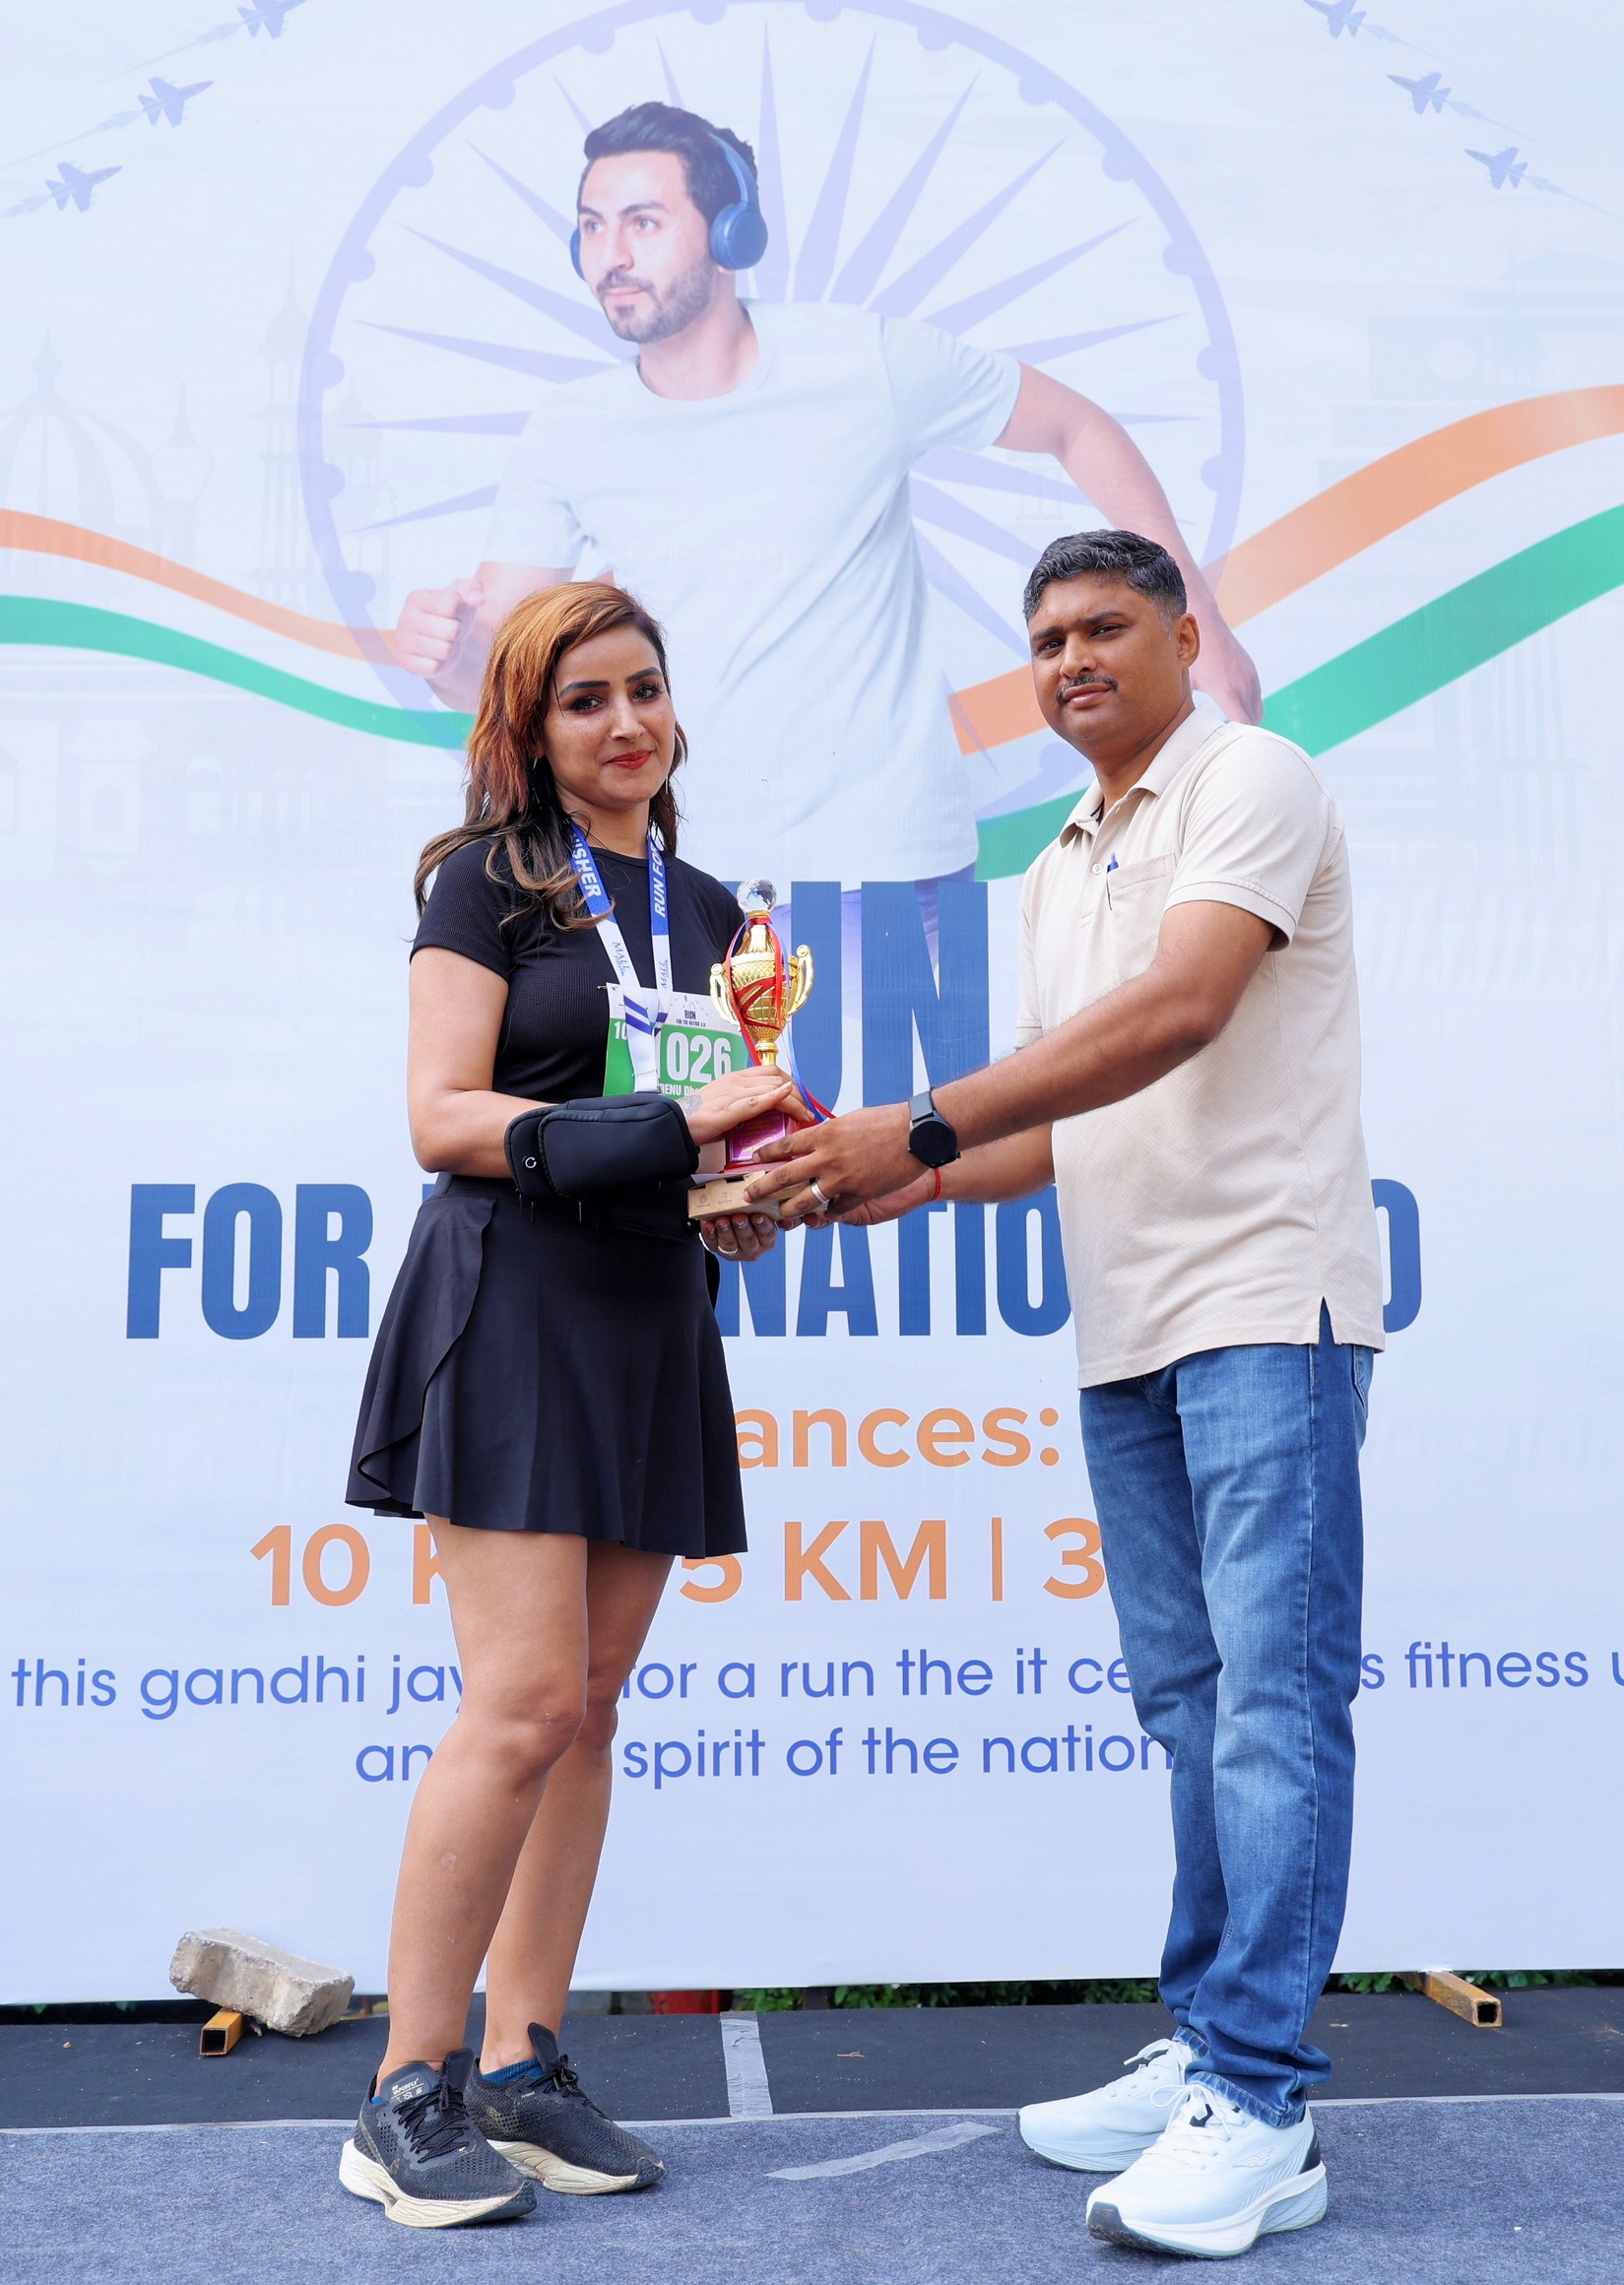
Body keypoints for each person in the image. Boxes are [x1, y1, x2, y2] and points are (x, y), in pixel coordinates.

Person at [746, 530, 1389, 2259]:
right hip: (1129, 1329)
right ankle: (1207, 2043)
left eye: (1106, 625)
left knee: (1272, 1705)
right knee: (1191, 1704)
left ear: (1183, 637)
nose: (1072, 658)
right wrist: (865, 1179)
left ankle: (1261, 2100)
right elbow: (1059, 1122)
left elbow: (1183, 1008)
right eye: (1044, 639)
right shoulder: (1056, 863)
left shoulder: (1252, 778)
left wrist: (916, 1121)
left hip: (1265, 1312)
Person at [340, 579, 794, 2229]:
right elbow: (442, 1118)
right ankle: (407, 2089)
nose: (627, 723)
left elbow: (713, 1131)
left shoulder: (721, 915)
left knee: (591, 1709)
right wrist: (668, 1139)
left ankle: (525, 2068)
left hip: (650, 1308)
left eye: (645, 689)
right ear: (529, 731)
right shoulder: (486, 881)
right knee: (524, 1701)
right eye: (586, 699)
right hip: (514, 1298)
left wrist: (737, 1193)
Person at [392, 99, 1262, 893]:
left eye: (643, 222)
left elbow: (1076, 426)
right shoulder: (568, 430)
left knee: (934, 1037)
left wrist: (1198, 620)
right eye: (592, 226)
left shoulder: (862, 362)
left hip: (896, 868)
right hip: (685, 877)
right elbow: (498, 673)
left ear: (730, 233)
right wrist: (448, 656)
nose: (610, 255)